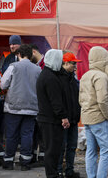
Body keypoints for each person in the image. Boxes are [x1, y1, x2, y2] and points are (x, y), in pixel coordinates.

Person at [79, 46, 108, 178]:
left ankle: (91, 176)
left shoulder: (85, 75)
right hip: (100, 118)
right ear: (102, 59)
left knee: (91, 150)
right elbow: (102, 100)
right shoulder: (101, 76)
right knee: (106, 150)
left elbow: (80, 99)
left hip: (87, 117)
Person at [0, 45, 40, 171]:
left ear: (19, 55)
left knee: (11, 135)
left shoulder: (13, 67)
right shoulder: (38, 69)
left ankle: (8, 162)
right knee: (27, 135)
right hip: (32, 108)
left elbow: (3, 85)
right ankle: (25, 163)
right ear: (30, 55)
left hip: (13, 107)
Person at [36, 49, 68, 177]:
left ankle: (52, 173)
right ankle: (52, 174)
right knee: (52, 150)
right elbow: (56, 101)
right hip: (51, 120)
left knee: (51, 149)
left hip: (46, 118)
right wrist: (63, 116)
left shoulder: (45, 74)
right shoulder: (51, 78)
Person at [56, 52, 82, 178]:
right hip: (64, 119)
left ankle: (69, 170)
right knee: (62, 147)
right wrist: (62, 116)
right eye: (73, 63)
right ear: (65, 63)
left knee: (72, 146)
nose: (75, 66)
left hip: (73, 118)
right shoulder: (59, 79)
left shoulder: (73, 79)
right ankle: (59, 170)